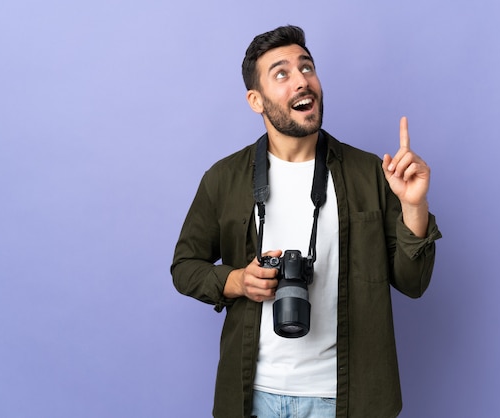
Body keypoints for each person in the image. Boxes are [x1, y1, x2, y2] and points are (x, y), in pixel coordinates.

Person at [171, 25, 442, 418]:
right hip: (252, 395)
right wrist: (236, 281)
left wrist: (415, 206)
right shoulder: (224, 178)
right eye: (281, 74)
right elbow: (184, 267)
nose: (302, 81)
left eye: (307, 68)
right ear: (256, 100)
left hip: (350, 398)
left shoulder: (370, 173)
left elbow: (413, 283)